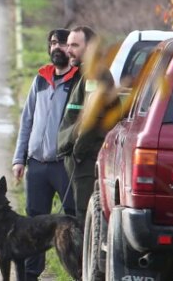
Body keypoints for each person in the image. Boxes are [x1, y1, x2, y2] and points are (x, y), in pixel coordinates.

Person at [12, 28, 79, 281]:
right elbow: (27, 119)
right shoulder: (41, 78)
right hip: (36, 165)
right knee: (34, 224)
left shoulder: (77, 81)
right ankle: (30, 276)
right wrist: (19, 159)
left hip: (63, 165)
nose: (56, 48)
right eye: (52, 43)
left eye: (62, 43)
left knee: (72, 220)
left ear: (70, 49)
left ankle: (80, 273)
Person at [56, 26, 118, 225]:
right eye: (68, 45)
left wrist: (78, 151)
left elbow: (92, 118)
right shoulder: (85, 73)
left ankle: (84, 258)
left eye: (75, 45)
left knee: (85, 219)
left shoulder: (95, 75)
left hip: (86, 160)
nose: (68, 50)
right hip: (82, 159)